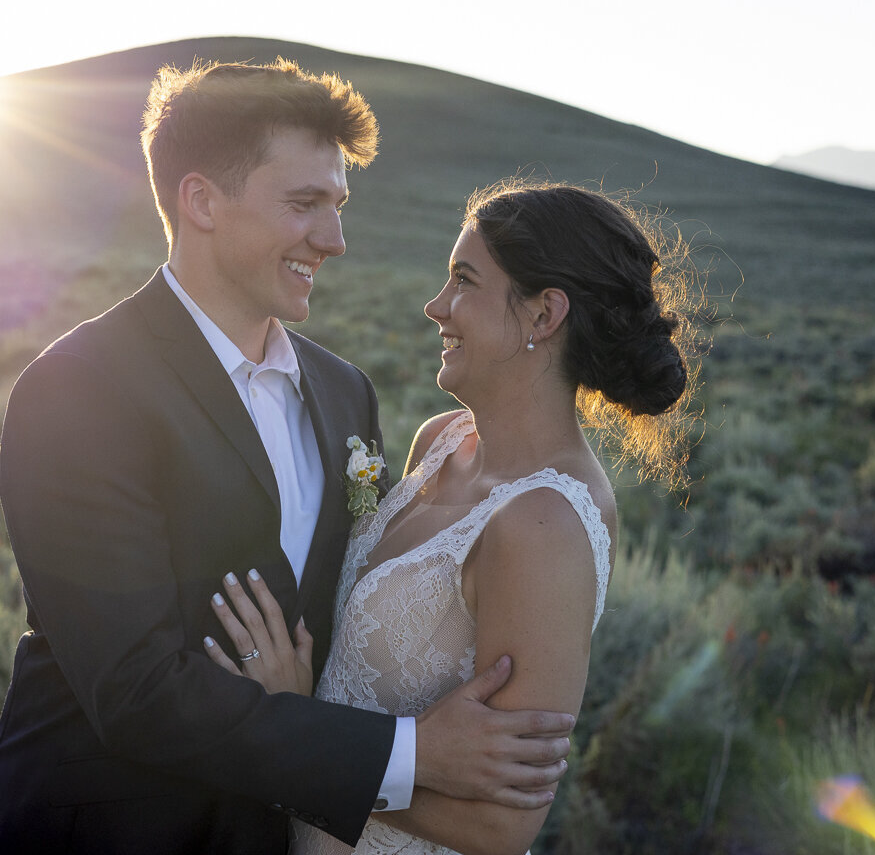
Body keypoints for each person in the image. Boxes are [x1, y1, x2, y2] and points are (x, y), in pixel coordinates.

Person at [0, 61, 576, 855]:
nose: (336, 239)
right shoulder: (76, 390)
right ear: (201, 201)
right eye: (304, 204)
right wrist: (413, 752)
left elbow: (356, 599)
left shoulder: (344, 392)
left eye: (339, 206)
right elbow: (134, 690)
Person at [205, 180, 700, 855]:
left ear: (543, 314)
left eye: (464, 281)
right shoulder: (441, 441)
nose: (436, 307)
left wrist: (293, 735)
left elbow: (502, 824)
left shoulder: (544, 526)